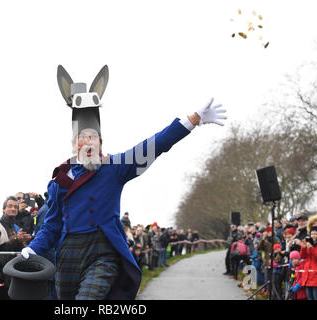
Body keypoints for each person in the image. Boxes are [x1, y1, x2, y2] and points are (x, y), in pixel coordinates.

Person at [21, 65, 227, 300]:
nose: (88, 142)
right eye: (82, 138)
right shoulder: (60, 180)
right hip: (68, 253)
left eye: (93, 138)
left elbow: (155, 145)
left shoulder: (115, 168)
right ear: (74, 144)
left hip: (102, 252)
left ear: (100, 143)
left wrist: (192, 120)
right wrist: (33, 248)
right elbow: (51, 225)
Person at [297, 226, 317, 300]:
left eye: (315, 234)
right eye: (312, 234)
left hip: (315, 275)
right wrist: (303, 247)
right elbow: (303, 256)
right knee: (309, 297)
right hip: (307, 274)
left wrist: (311, 248)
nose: (313, 236)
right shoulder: (308, 242)